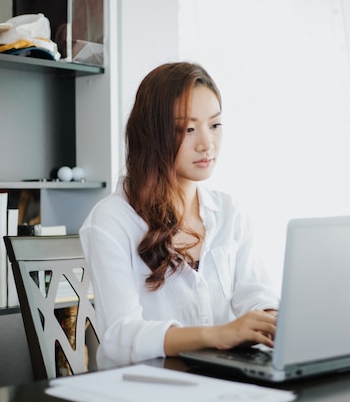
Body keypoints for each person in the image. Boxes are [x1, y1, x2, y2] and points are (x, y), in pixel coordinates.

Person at [79, 62, 280, 368]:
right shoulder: (111, 220)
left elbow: (257, 296)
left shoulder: (229, 213)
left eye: (214, 125)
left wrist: (273, 320)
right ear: (152, 134)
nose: (206, 143)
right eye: (188, 128)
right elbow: (121, 335)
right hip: (141, 389)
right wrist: (216, 335)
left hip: (217, 384)